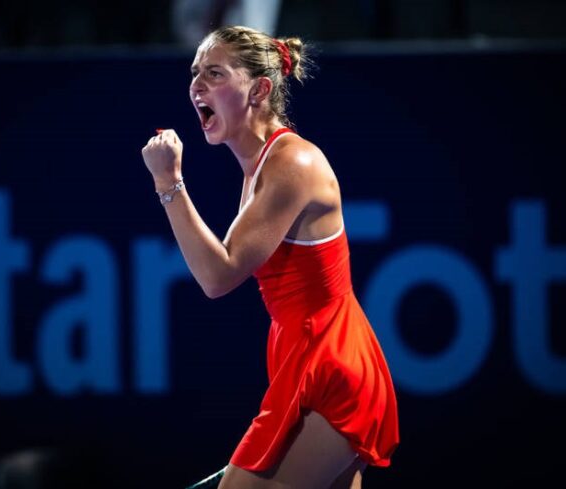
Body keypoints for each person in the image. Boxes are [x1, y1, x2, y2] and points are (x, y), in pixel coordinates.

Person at [141, 25, 399, 489]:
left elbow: (217, 276)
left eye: (215, 73)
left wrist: (168, 183)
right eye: (195, 72)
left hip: (330, 367)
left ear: (259, 90)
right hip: (305, 358)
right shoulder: (260, 168)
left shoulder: (292, 164)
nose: (197, 85)